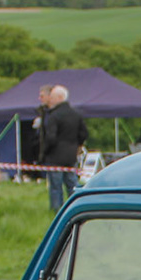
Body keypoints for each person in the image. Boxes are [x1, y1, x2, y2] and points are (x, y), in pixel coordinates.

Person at [36, 84, 87, 213]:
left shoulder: (54, 116)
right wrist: (77, 145)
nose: (50, 100)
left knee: (55, 186)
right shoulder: (76, 114)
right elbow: (84, 133)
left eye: (52, 97)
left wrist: (45, 151)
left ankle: (57, 211)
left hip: (55, 156)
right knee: (72, 183)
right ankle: (76, 207)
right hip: (71, 155)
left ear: (60, 97)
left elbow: (51, 137)